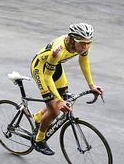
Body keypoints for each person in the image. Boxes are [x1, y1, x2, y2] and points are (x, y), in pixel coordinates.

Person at [29, 23, 104, 155]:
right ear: (72, 39)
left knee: (62, 99)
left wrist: (91, 85)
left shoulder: (83, 43)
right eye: (82, 43)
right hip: (40, 69)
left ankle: (38, 118)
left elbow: (84, 61)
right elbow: (47, 77)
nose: (85, 46)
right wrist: (58, 100)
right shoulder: (57, 51)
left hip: (55, 67)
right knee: (54, 111)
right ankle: (39, 140)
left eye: (88, 43)